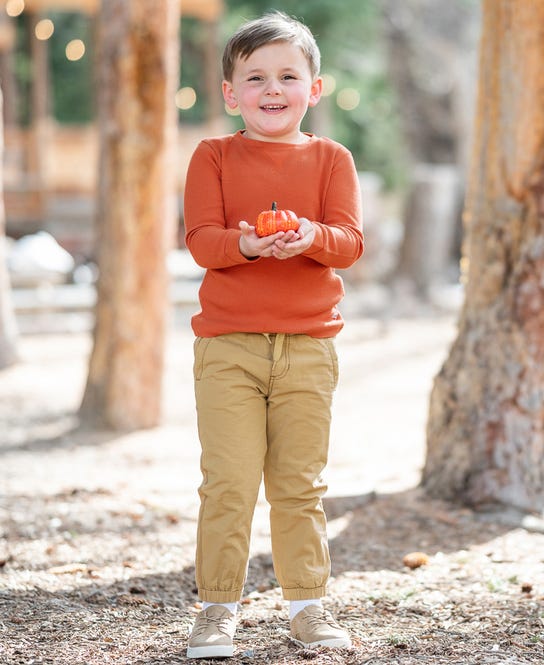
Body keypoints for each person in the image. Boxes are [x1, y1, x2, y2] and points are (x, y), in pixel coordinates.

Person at [183, 10, 364, 659]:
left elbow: (349, 243)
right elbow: (203, 241)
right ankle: (216, 608)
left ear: (313, 88)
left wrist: (311, 235)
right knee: (228, 481)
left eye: (288, 75)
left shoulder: (332, 159)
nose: (272, 88)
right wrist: (251, 244)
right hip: (227, 345)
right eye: (255, 76)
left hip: (309, 347)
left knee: (299, 483)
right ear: (230, 92)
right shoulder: (212, 156)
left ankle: (307, 605)